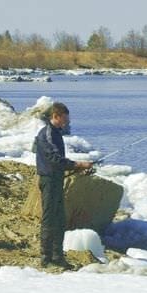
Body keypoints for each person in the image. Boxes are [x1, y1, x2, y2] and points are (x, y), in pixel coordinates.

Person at [34, 102, 93, 268]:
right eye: (64, 119)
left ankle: (57, 257)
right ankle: (45, 259)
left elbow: (58, 162)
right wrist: (78, 165)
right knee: (49, 219)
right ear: (56, 116)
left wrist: (75, 168)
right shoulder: (47, 134)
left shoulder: (56, 133)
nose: (66, 122)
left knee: (59, 220)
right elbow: (54, 159)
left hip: (57, 180)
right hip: (49, 181)